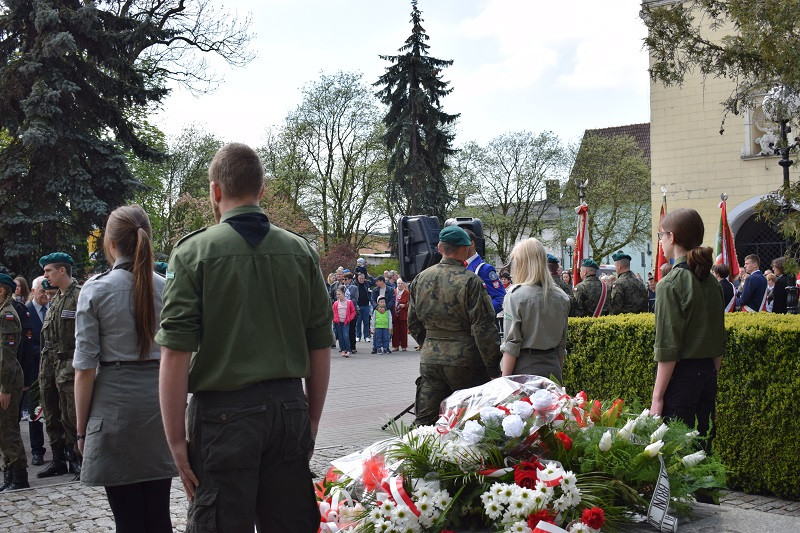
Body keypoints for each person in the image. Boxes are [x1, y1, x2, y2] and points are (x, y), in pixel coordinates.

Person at [157, 143, 332, 532]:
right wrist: (312, 419)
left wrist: (175, 441)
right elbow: (319, 344)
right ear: (262, 190)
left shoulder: (193, 252)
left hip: (223, 415)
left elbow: (175, 354)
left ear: (215, 191)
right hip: (289, 409)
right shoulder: (301, 251)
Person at [73, 205, 176, 532]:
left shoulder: (95, 289)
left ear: (111, 243)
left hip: (114, 410)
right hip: (160, 406)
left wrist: (80, 429)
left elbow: (85, 369)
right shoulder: (168, 288)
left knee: (128, 519)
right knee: (159, 515)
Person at [408, 225, 501, 426]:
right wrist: (493, 368)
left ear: (440, 248)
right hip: (466, 362)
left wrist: (430, 344)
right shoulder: (471, 281)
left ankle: (419, 457)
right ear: (466, 249)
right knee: (471, 423)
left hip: (431, 360)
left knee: (424, 425)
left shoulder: (420, 279)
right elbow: (483, 328)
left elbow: (413, 322)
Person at [651, 208, 724, 453]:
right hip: (707, 375)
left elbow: (668, 348)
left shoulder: (670, 284)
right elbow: (718, 341)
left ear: (672, 237)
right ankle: (707, 495)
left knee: (678, 457)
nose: (660, 241)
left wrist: (657, 398)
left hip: (682, 378)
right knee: (703, 454)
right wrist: (707, 375)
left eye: (661, 235)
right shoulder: (713, 283)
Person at [500, 239, 570, 382]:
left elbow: (512, 345)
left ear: (521, 263)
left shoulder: (515, 296)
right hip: (553, 367)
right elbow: (561, 345)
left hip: (525, 368)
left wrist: (504, 382)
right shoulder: (561, 297)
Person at [38, 252, 81, 479]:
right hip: (52, 365)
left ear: (62, 270)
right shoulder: (56, 299)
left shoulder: (79, 296)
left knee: (72, 414)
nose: (46, 275)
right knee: (53, 413)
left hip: (71, 365)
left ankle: (79, 458)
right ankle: (58, 460)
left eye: (49, 271)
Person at [0, 273, 29, 491]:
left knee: (8, 429)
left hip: (7, 381)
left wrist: (5, 389)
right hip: (3, 379)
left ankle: (19, 477)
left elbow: (7, 357)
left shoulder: (7, 315)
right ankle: (9, 474)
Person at [25, 277, 48, 465]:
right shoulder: (26, 312)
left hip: (54, 370)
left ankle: (64, 450)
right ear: (33, 291)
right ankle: (37, 450)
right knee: (35, 413)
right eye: (42, 292)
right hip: (34, 371)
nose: (45, 296)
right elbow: (24, 344)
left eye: (47, 292)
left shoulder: (54, 308)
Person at [464, 228, 506, 315]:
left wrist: (482, 315)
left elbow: (500, 298)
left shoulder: (484, 269)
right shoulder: (459, 266)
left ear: (471, 244)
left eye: (461, 244)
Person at [332, 287, 356, 357]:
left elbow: (353, 311)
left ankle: (348, 350)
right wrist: (334, 319)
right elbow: (332, 311)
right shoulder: (336, 303)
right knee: (340, 337)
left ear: (343, 294)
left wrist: (349, 318)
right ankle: (342, 349)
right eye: (337, 294)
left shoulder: (349, 302)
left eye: (339, 294)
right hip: (338, 322)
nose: (338, 296)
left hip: (346, 322)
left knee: (346, 336)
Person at [355, 273, 373, 343]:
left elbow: (374, 282)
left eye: (363, 278)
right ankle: (358, 336)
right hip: (358, 305)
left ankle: (366, 336)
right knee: (358, 322)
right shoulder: (355, 284)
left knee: (366, 322)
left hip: (366, 305)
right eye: (360, 278)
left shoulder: (367, 283)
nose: (361, 280)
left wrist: (368, 275)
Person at [392, 278, 410, 352]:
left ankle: (404, 346)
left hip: (403, 314)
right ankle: (395, 346)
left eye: (401, 283)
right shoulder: (393, 292)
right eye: (398, 283)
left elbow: (409, 304)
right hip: (395, 314)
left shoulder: (407, 293)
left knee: (403, 331)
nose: (400, 285)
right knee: (395, 331)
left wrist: (404, 306)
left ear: (404, 284)